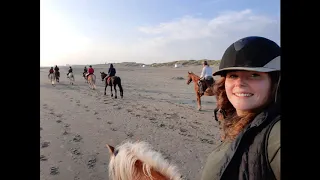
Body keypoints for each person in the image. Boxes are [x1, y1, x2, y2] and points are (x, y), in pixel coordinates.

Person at [200, 36, 280, 180]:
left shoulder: (275, 133)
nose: (240, 83)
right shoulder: (233, 120)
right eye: (233, 75)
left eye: (254, 75)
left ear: (275, 83)